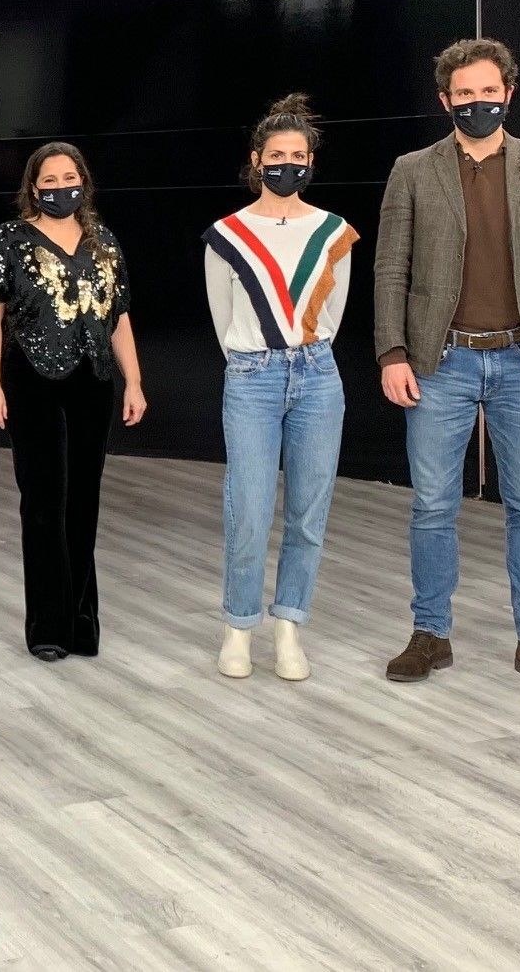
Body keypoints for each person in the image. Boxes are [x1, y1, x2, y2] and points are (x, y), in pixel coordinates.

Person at [374, 37, 520, 698]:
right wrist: (391, 353)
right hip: (439, 361)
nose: (477, 103)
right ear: (445, 100)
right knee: (432, 506)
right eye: (463, 94)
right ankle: (429, 633)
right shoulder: (412, 170)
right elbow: (390, 268)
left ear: (508, 93)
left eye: (487, 92)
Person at [204, 95, 356, 681]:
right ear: (256, 160)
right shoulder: (227, 234)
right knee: (248, 509)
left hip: (318, 376)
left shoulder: (333, 231)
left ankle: (289, 626)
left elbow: (333, 313)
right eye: (276, 156)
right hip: (251, 377)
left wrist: (302, 352)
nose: (286, 164)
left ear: (310, 162)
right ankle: (239, 627)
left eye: (297, 156)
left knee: (309, 511)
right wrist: (257, 361)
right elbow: (222, 319)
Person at [0, 142, 144, 661]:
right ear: (33, 187)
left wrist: (134, 382)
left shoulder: (103, 242)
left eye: (68, 178)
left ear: (83, 182)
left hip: (93, 382)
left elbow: (119, 318)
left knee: (84, 499)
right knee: (44, 500)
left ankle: (82, 623)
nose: (59, 187)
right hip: (30, 381)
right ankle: (48, 628)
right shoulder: (9, 240)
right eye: (48, 180)